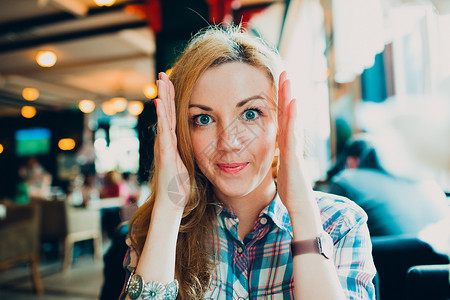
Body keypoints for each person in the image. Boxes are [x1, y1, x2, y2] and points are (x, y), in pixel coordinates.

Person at [120, 25, 376, 299]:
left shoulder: (340, 222)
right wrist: (169, 208)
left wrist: (302, 212)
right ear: (183, 132)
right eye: (203, 119)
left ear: (280, 123)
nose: (229, 142)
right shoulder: (154, 227)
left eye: (250, 114)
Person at [328, 136, 450, 237]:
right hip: (442, 262)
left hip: (391, 259)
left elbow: (329, 232)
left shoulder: (347, 179)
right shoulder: (428, 182)